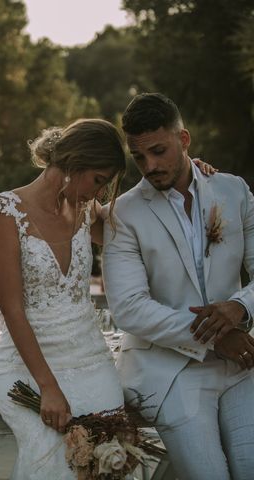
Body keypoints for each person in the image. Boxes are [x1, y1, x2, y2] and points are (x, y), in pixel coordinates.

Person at [103, 92, 254, 480]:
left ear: (183, 140)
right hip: (168, 370)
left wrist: (239, 308)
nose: (150, 167)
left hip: (242, 363)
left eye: (159, 151)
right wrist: (214, 336)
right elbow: (130, 308)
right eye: (139, 158)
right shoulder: (124, 213)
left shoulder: (233, 191)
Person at [0, 118, 127, 479]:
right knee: (53, 459)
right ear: (75, 162)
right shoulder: (7, 212)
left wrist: (195, 174)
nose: (98, 193)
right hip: (27, 370)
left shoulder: (87, 211)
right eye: (97, 180)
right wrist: (48, 387)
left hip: (92, 362)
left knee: (112, 459)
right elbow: (12, 310)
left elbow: (146, 217)